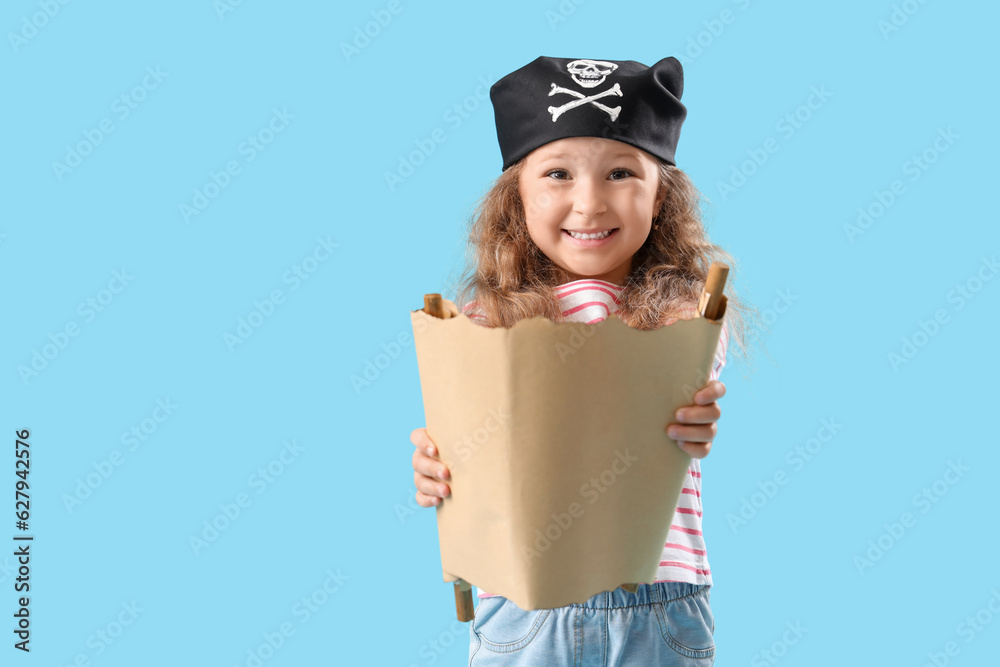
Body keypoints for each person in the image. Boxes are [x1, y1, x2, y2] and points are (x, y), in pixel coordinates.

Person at [410, 55, 757, 666]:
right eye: (558, 174)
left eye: (621, 172)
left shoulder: (679, 309)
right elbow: (467, 443)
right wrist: (439, 467)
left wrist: (689, 418)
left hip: (657, 599)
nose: (590, 203)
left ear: (660, 197)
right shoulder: (486, 317)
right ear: (516, 197)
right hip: (521, 604)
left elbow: (683, 381)